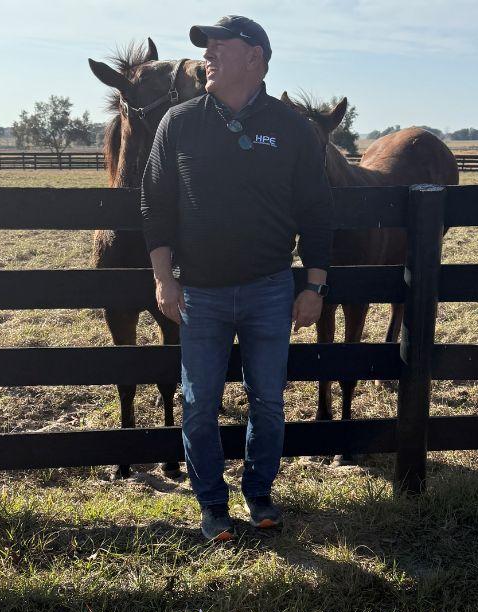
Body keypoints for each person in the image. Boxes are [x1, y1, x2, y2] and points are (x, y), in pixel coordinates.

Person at [140, 15, 334, 541]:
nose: (207, 56)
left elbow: (317, 212)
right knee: (199, 402)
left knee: (268, 400)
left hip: (270, 290)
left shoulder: (292, 128)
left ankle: (260, 494)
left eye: (218, 46)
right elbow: (154, 206)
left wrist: (314, 285)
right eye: (206, 48)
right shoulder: (178, 123)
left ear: (255, 57)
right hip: (197, 292)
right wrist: (164, 278)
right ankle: (211, 505)